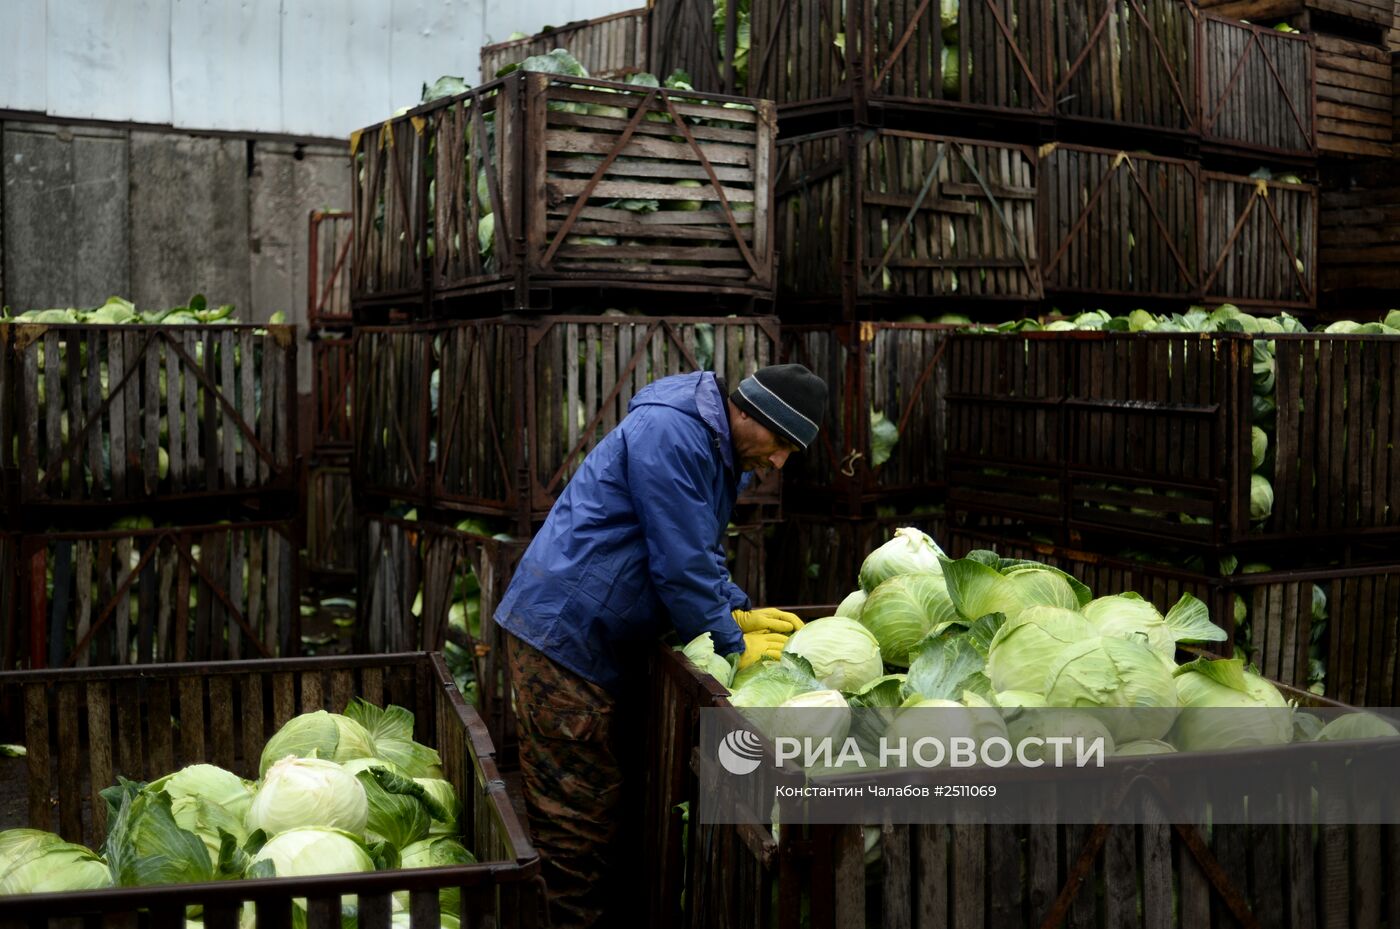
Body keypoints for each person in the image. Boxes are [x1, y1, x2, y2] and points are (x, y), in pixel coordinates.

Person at [494, 363, 828, 929]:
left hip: (594, 635)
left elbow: (697, 548)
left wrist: (734, 606)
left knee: (597, 807)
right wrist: (729, 638)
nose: (778, 463)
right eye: (780, 444)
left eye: (790, 453)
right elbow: (679, 563)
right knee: (574, 822)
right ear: (747, 413)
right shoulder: (672, 435)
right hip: (564, 638)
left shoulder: (713, 446)